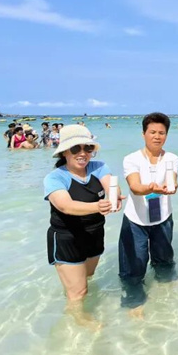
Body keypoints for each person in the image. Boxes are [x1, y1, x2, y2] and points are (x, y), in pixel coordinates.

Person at [43, 124, 123, 329]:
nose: (82, 153)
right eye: (75, 148)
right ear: (64, 152)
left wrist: (115, 196)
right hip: (67, 237)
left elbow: (111, 186)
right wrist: (97, 206)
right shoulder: (55, 178)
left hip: (95, 233)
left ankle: (73, 300)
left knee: (87, 277)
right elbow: (65, 206)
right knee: (79, 292)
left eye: (87, 148)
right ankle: (78, 323)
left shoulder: (98, 167)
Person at [119, 112, 178, 312]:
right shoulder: (131, 159)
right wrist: (151, 188)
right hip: (136, 220)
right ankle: (134, 303)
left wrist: (172, 186)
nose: (157, 136)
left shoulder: (172, 158)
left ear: (166, 135)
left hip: (163, 218)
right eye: (152, 132)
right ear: (143, 133)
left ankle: (166, 299)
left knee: (164, 263)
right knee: (133, 268)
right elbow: (135, 187)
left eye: (161, 133)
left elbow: (172, 179)